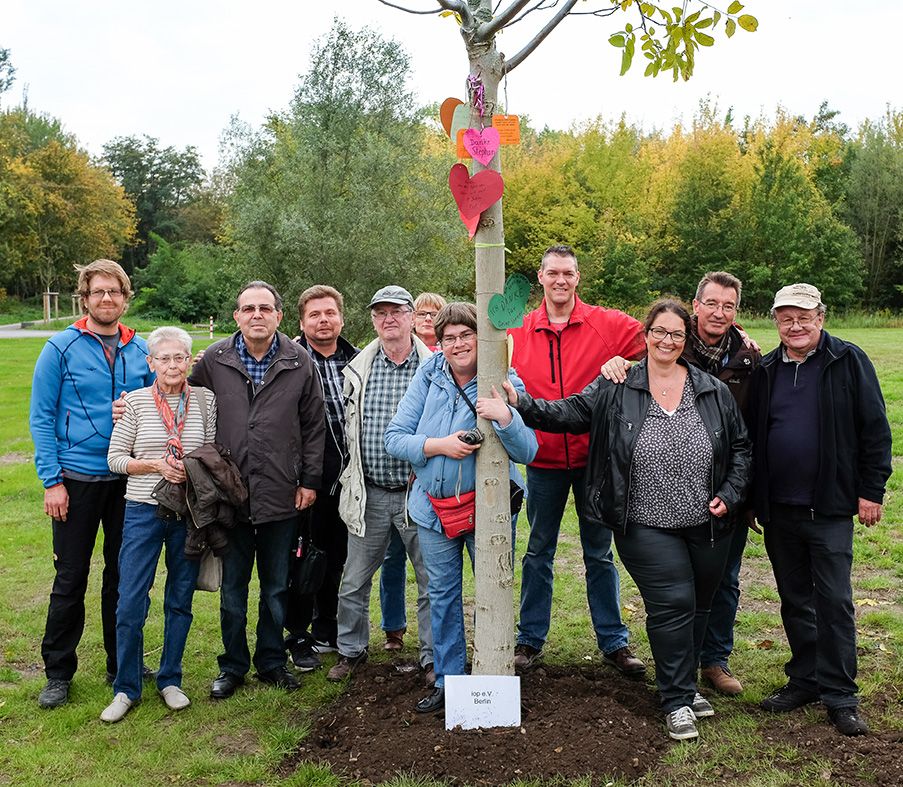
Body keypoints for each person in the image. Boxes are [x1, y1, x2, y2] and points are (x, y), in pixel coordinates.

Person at [504, 299, 750, 741]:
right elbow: (570, 413)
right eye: (659, 331)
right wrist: (519, 403)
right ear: (646, 335)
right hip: (644, 521)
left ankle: (686, 684)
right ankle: (676, 699)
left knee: (698, 605)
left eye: (676, 334)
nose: (667, 341)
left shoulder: (711, 389)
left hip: (707, 523)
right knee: (672, 602)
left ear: (685, 340)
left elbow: (741, 449)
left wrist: (730, 495)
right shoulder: (618, 383)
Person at [600, 271, 760, 695]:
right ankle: (679, 687)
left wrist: (737, 491)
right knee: (675, 597)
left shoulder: (747, 358)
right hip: (652, 510)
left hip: (720, 497)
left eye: (729, 306)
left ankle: (713, 661)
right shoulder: (656, 361)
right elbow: (586, 404)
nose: (719, 312)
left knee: (719, 584)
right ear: (696, 308)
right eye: (711, 303)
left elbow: (749, 435)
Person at [748, 283, 892, 737]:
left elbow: (875, 429)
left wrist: (871, 490)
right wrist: (756, 498)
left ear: (821, 319)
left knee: (834, 602)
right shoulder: (767, 368)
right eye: (786, 317)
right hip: (780, 510)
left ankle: (841, 695)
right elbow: (752, 439)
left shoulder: (848, 361)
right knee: (795, 600)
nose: (795, 325)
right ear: (776, 322)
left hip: (829, 509)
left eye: (804, 317)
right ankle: (805, 680)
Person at [385, 303, 538, 713]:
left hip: (487, 512)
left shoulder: (501, 379)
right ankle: (449, 680)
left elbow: (529, 449)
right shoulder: (429, 375)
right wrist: (440, 445)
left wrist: (506, 416)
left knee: (494, 591)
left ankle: (495, 676)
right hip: (433, 510)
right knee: (443, 595)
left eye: (465, 335)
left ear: (480, 338)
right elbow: (395, 438)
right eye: (448, 338)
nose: (456, 344)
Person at [508, 244, 646, 675]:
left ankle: (614, 641)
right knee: (538, 550)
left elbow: (666, 337)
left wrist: (626, 360)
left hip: (594, 460)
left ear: (577, 277)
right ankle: (529, 639)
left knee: (599, 553)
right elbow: (466, 343)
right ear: (541, 277)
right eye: (553, 273)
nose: (561, 280)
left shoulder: (607, 324)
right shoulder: (519, 329)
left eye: (568, 273)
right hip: (542, 458)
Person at [188, 281, 326, 699]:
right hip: (229, 494)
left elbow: (314, 427)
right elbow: (183, 399)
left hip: (281, 492)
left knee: (275, 586)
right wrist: (134, 402)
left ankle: (270, 660)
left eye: (265, 308)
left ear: (279, 316)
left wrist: (309, 482)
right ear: (237, 316)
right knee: (232, 590)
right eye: (248, 308)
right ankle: (232, 665)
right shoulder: (214, 359)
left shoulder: (298, 360)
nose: (256, 315)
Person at [29, 259, 155, 709]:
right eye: (98, 292)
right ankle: (58, 672)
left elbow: (160, 404)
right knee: (71, 577)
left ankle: (122, 663)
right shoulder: (59, 348)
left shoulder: (142, 351)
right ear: (84, 298)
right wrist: (51, 482)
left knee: (124, 578)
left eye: (114, 292)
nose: (107, 299)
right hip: (76, 480)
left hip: (129, 482)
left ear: (125, 298)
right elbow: (41, 418)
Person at [100, 327, 217, 722]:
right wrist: (155, 465)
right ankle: (126, 687)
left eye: (179, 357)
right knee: (131, 598)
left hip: (187, 511)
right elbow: (115, 459)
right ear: (150, 363)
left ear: (189, 360)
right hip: (142, 511)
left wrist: (191, 468)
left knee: (180, 598)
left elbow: (212, 451)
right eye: (163, 358)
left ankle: (170, 679)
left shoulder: (204, 400)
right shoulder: (134, 402)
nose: (172, 365)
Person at [328, 285, 434, 683]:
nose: (389, 319)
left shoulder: (433, 366)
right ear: (373, 320)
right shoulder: (359, 367)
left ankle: (432, 656)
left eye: (397, 311)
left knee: (431, 581)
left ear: (412, 316)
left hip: (417, 492)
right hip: (369, 492)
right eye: (380, 313)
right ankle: (351, 651)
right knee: (354, 579)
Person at [283, 285, 359, 671]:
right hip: (306, 479)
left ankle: (327, 630)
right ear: (302, 322)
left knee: (336, 559)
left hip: (350, 480)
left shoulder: (358, 359)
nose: (323, 320)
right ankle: (297, 636)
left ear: (341, 318)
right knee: (303, 561)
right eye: (314, 315)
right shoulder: (290, 361)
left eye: (329, 313)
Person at [377, 292, 448, 653]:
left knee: (429, 567)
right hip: (385, 478)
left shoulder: (440, 361)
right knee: (390, 559)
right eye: (421, 312)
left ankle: (431, 648)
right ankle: (392, 627)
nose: (426, 319)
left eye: (432, 313)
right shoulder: (377, 356)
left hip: (423, 480)